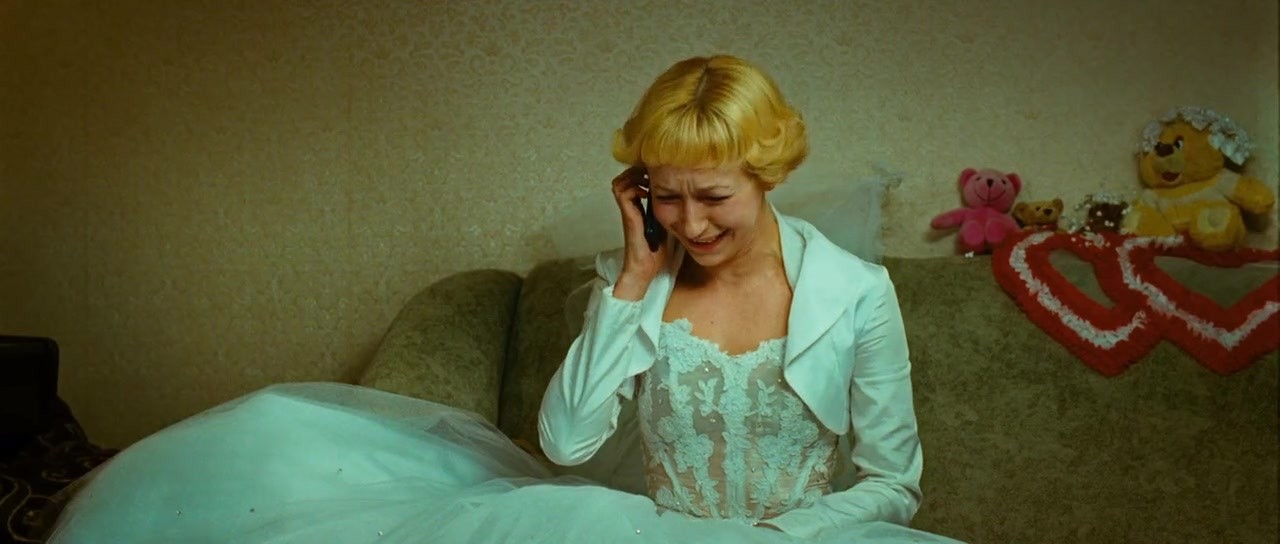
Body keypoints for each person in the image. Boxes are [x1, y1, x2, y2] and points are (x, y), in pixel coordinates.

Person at [42, 55, 962, 543]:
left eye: (714, 196)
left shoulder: (856, 294)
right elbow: (565, 444)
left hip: (800, 541)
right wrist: (631, 282)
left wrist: (780, 539)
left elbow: (894, 483)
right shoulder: (638, 280)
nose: (689, 222)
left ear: (768, 175)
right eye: (667, 196)